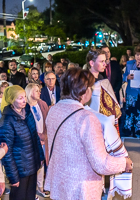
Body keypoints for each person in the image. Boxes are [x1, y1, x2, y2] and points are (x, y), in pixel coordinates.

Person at [45, 68, 132, 200]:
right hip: (81, 188)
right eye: (90, 87)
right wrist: (123, 163)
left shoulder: (53, 111)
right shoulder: (87, 118)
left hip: (59, 182)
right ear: (83, 91)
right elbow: (101, 163)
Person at [0, 85, 45, 200]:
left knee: (30, 196)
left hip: (32, 165)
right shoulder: (7, 121)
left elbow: (35, 136)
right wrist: (13, 177)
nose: (24, 100)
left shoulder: (27, 112)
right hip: (20, 170)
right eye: (20, 98)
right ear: (11, 101)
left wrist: (40, 156)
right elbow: (6, 153)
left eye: (24, 97)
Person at [86, 49, 122, 133]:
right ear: (91, 63)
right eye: (101, 61)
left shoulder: (102, 79)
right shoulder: (86, 81)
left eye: (105, 61)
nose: (105, 64)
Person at [25, 83, 50, 198]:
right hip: (31, 140)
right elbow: (25, 125)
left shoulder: (43, 104)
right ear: (30, 92)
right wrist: (37, 136)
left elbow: (47, 121)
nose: (40, 92)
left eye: (39, 90)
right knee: (32, 165)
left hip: (44, 139)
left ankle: (40, 187)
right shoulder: (25, 106)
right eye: (36, 91)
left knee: (41, 163)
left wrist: (44, 136)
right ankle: (32, 189)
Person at [122, 44, 140, 138]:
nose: (139, 57)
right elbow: (124, 76)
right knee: (130, 111)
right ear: (134, 55)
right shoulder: (130, 64)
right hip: (131, 92)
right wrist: (127, 77)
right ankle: (128, 130)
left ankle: (138, 131)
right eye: (137, 55)